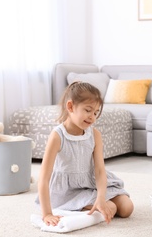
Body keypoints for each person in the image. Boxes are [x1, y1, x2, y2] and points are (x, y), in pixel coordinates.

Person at [36, 81, 134, 226]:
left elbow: (100, 171)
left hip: (92, 183)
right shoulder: (57, 136)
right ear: (70, 106)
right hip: (69, 191)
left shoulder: (95, 135)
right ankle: (74, 208)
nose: (92, 117)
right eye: (88, 110)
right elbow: (44, 178)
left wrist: (101, 198)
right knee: (111, 207)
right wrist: (47, 214)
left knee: (127, 208)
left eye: (95, 112)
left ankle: (94, 205)